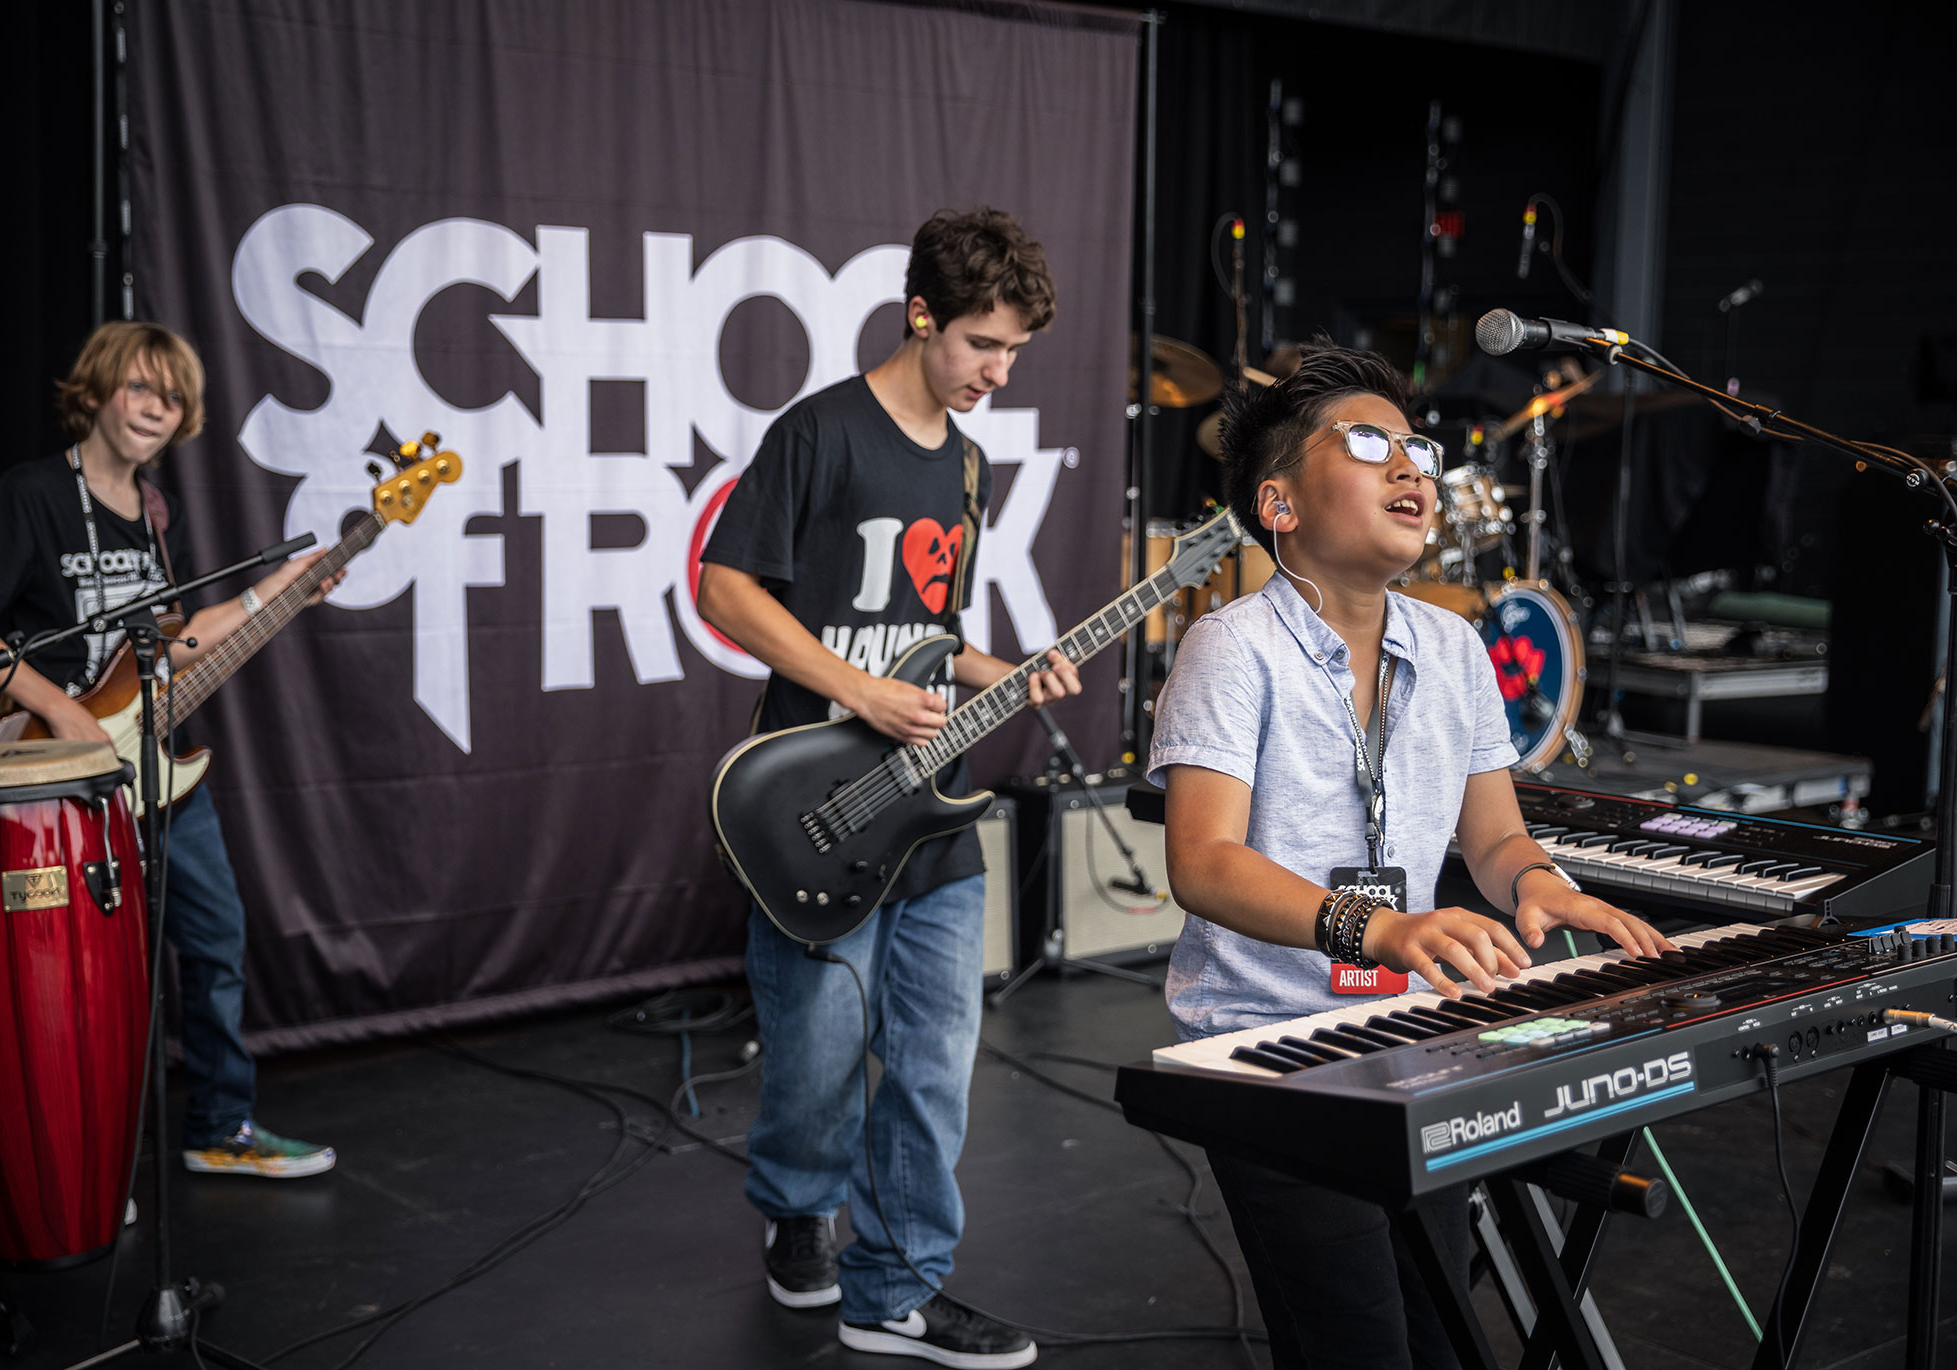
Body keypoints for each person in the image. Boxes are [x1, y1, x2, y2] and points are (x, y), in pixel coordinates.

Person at [1148, 344, 1672, 1369]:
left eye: (1416, 447)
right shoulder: (1231, 645)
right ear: (1279, 503)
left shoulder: (1451, 646)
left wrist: (1545, 888)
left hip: (1407, 1031)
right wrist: (1382, 924)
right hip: (1270, 1049)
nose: (1409, 467)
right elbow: (1201, 863)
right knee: (1358, 1341)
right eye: (1367, 443)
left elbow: (1493, 835)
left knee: (1437, 1328)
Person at [699, 207, 1076, 1369]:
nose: (997, 373)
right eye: (980, 345)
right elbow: (724, 588)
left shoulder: (964, 462)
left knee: (932, 1056)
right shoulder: (818, 431)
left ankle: (896, 1284)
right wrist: (854, 692)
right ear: (921, 315)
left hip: (931, 809)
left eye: (1013, 351)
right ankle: (798, 1204)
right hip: (811, 805)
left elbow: (931, 628)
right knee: (815, 1055)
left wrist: (1001, 669)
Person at [0, 320, 342, 1179]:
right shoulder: (33, 493)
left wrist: (282, 597)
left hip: (159, 765)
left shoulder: (157, 512)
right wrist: (62, 711)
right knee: (84, 976)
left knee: (217, 940)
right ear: (99, 389)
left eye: (173, 396)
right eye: (141, 388)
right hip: (63, 769)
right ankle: (79, 1154)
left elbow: (178, 640)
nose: (157, 408)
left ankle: (219, 1128)